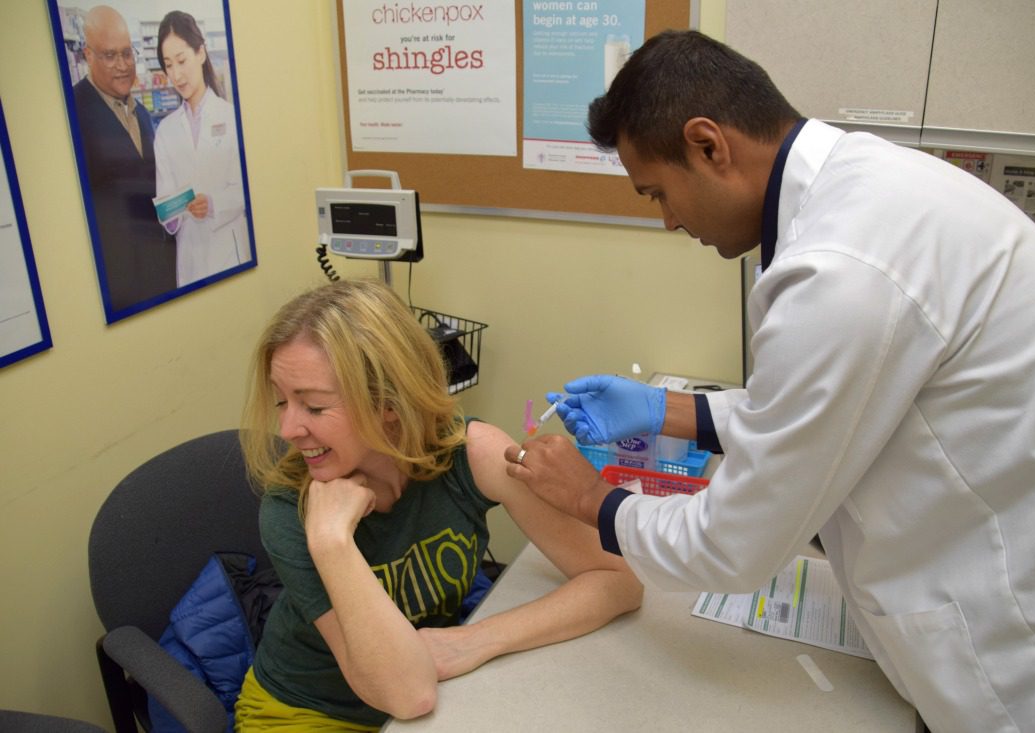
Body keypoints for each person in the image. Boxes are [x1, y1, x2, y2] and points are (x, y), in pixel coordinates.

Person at [505, 30, 1035, 733]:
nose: (667, 220)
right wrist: (666, 409)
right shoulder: (870, 185)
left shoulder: (843, 268)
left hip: (1024, 663)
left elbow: (732, 545)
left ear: (708, 145)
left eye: (658, 192)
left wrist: (590, 498)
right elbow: (826, 405)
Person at [235, 278, 642, 731]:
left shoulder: (470, 453)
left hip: (433, 701)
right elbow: (407, 694)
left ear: (388, 402)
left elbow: (617, 580)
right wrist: (331, 542)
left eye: (312, 407)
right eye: (281, 401)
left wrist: (476, 639)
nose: (289, 429)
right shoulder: (290, 510)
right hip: (304, 711)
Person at [72, 5, 176, 313]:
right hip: (120, 282)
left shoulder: (140, 112)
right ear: (88, 55)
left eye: (126, 53)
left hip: (157, 265)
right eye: (109, 55)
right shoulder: (75, 112)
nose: (122, 65)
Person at [154, 10, 250, 288]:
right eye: (168, 65)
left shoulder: (231, 117)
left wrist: (212, 203)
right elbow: (166, 198)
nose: (176, 74)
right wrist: (169, 217)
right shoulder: (166, 131)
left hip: (228, 247)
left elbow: (246, 188)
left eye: (182, 60)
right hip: (190, 255)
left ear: (201, 53)